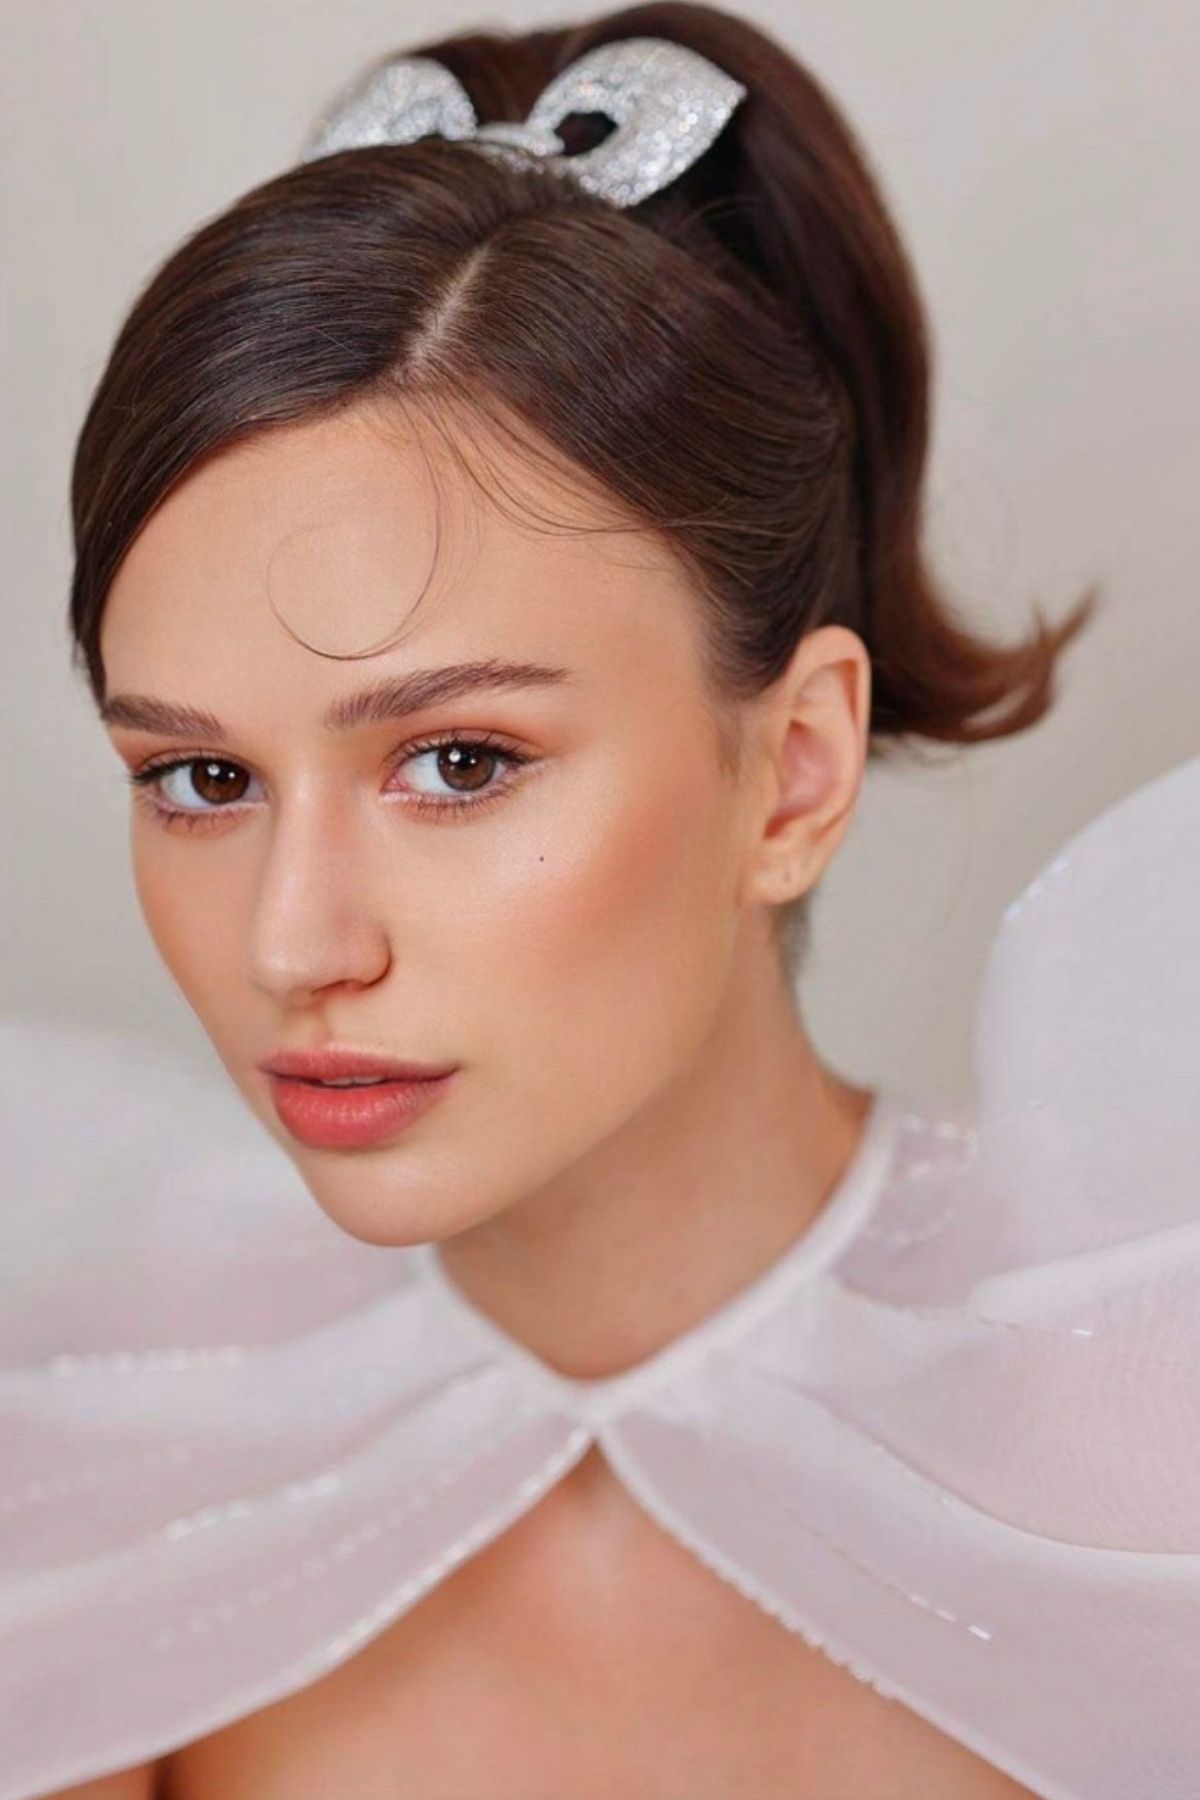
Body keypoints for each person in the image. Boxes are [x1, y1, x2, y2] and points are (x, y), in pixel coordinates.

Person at [1, 6, 1196, 1798]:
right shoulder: (95, 1471)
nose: (292, 943)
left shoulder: (1143, 1470)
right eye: (202, 780)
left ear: (794, 771)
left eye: (458, 761)